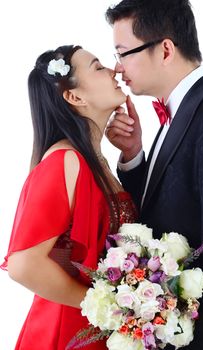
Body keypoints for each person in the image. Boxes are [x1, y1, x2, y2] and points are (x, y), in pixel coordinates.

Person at [105, 0, 203, 349]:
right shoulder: (176, 112)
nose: (117, 67)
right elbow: (161, 211)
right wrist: (133, 156)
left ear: (164, 50)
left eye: (123, 52)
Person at [1, 45, 137, 350]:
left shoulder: (92, 161)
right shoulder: (65, 160)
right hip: (66, 332)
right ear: (74, 97)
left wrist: (130, 154)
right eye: (99, 67)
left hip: (99, 330)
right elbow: (22, 264)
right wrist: (104, 306)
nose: (114, 70)